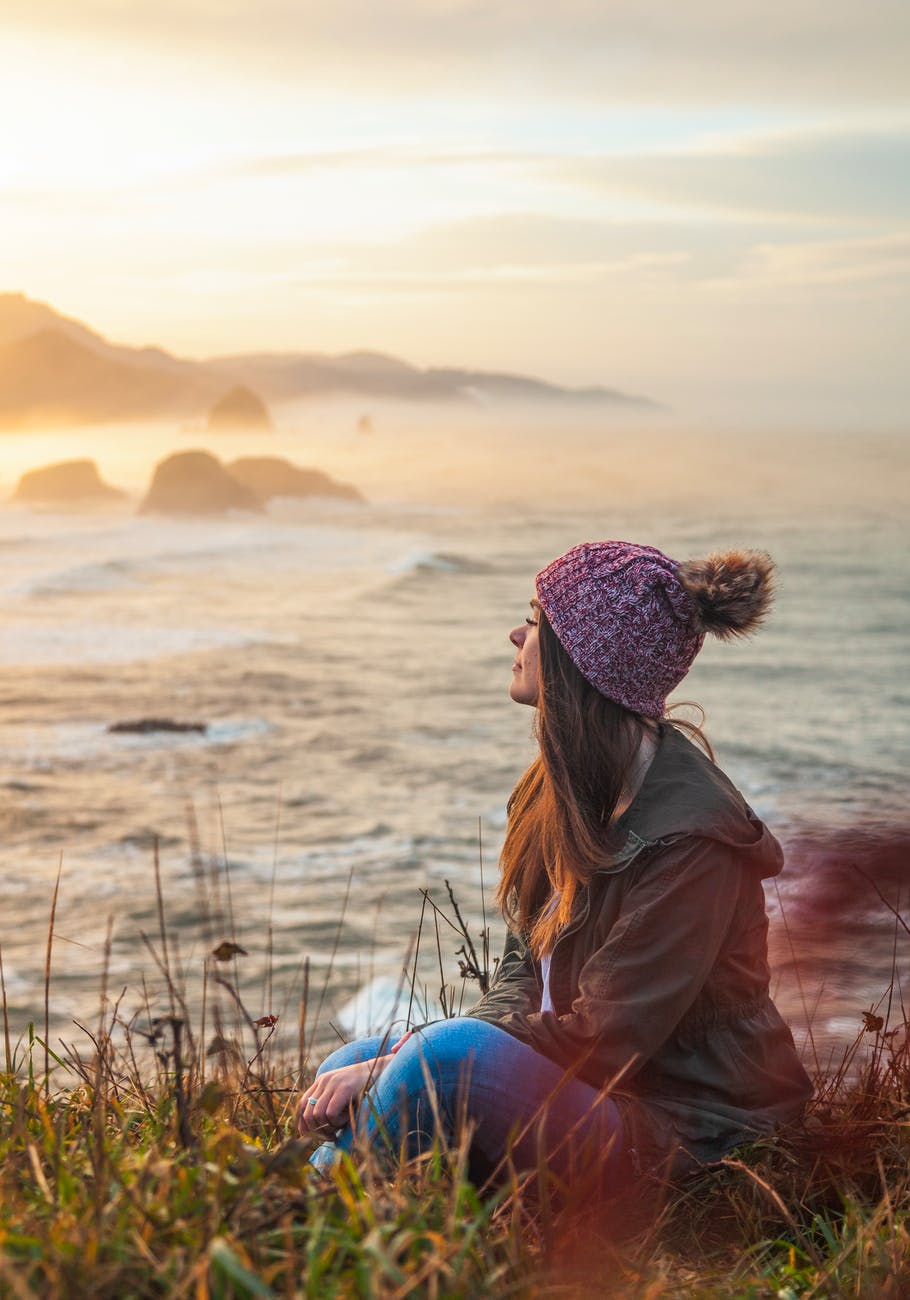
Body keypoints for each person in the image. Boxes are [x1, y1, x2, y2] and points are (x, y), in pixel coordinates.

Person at [297, 541, 812, 1194]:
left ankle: (312, 1219)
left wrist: (413, 1061)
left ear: (584, 659)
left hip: (693, 1132)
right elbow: (522, 971)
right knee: (358, 1057)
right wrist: (395, 1062)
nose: (516, 633)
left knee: (435, 1060)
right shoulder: (556, 791)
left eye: (537, 619)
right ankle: (362, 1217)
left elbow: (605, 1038)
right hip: (600, 1096)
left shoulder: (692, 840)